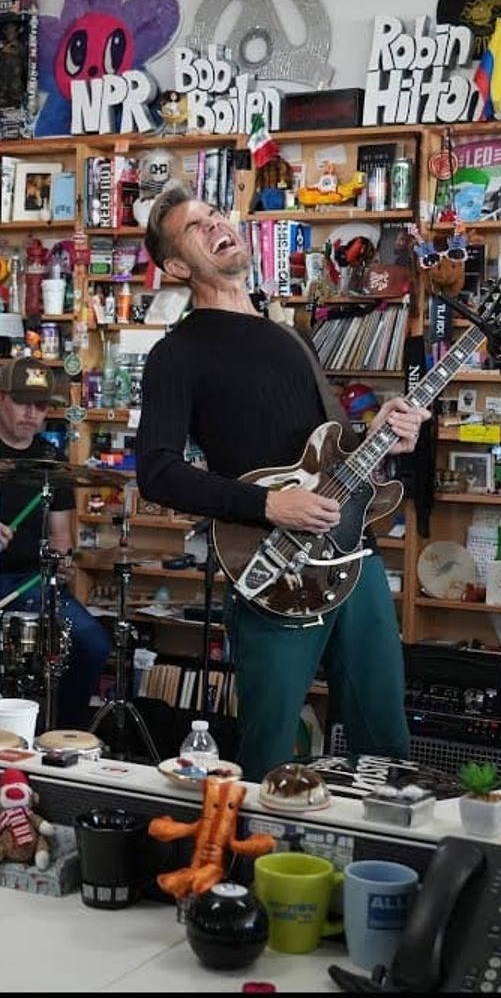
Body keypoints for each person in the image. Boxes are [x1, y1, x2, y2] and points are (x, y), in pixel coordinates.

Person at [135, 181, 430, 782]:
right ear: (174, 265)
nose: (216, 224)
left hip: (354, 554)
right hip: (274, 565)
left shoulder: (288, 336)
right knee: (269, 752)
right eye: (196, 226)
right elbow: (157, 472)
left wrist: (389, 439)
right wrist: (271, 506)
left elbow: (333, 455)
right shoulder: (178, 353)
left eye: (217, 213)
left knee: (387, 744)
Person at [0, 357, 111, 730]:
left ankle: (62, 733)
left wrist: (63, 562)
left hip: (32, 582)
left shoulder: (51, 461)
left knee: (93, 644)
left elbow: (61, 536)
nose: (31, 413)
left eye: (40, 406)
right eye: (23, 402)